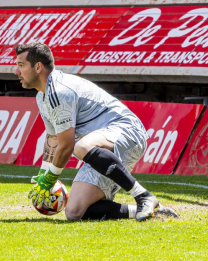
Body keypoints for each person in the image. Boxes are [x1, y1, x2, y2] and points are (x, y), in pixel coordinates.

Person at [15, 42, 178, 222]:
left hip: (128, 131)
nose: (17, 71)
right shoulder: (42, 96)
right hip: (101, 147)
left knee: (81, 146)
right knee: (75, 212)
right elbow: (53, 138)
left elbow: (66, 145)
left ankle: (143, 196)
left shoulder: (59, 91)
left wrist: (51, 178)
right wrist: (44, 175)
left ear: (38, 67)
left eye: (21, 65)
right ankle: (153, 210)